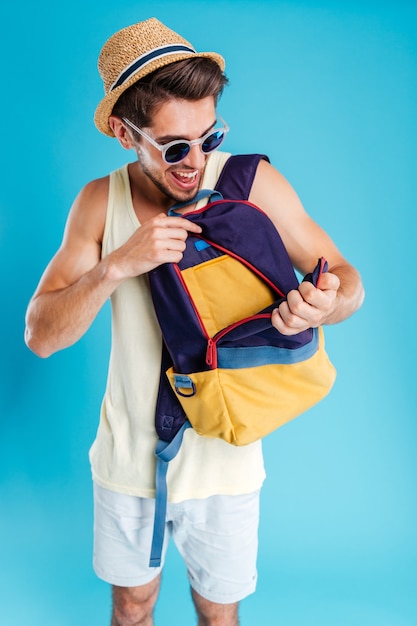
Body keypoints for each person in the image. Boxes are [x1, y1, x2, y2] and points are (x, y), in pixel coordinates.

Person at [24, 17, 364, 626]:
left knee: (219, 614)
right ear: (127, 134)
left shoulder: (250, 182)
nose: (197, 160)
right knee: (131, 608)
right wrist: (115, 266)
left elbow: (344, 276)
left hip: (227, 459)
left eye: (209, 136)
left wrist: (326, 303)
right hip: (127, 460)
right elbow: (40, 336)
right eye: (175, 146)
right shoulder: (101, 203)